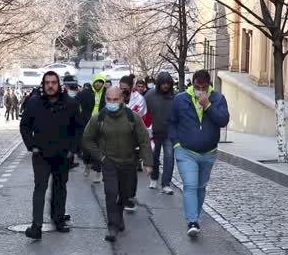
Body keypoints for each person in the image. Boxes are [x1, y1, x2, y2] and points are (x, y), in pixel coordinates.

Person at [83, 87, 153, 242]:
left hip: (129, 162)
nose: (112, 103)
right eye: (109, 99)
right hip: (109, 162)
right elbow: (87, 139)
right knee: (110, 192)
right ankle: (112, 226)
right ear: (105, 99)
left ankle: (119, 215)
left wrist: (148, 162)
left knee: (125, 193)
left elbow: (144, 140)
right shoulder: (99, 118)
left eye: (116, 99)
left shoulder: (132, 117)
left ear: (122, 99)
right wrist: (100, 157)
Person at [20, 71, 82, 240]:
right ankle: (36, 226)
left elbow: (78, 128)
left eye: (53, 82)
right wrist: (31, 146)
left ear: (58, 84)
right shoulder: (34, 103)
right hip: (41, 154)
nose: (50, 85)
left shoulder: (70, 103)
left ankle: (59, 219)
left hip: (63, 154)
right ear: (43, 84)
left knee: (60, 187)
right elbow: (24, 126)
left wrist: (73, 149)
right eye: (47, 82)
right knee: (40, 188)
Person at [168, 70, 229, 237]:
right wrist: (176, 144)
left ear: (209, 85)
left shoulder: (218, 99)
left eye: (203, 87)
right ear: (192, 84)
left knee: (201, 187)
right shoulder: (181, 99)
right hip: (186, 151)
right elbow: (172, 122)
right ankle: (192, 221)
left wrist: (208, 106)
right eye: (197, 87)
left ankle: (196, 216)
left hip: (208, 153)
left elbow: (223, 120)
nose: (200, 90)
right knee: (190, 185)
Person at [118, 75, 151, 212]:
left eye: (125, 89)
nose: (122, 91)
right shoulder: (115, 96)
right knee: (118, 170)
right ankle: (121, 195)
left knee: (131, 171)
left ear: (132, 87)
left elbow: (138, 119)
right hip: (117, 139)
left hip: (133, 140)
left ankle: (130, 197)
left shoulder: (139, 99)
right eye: (121, 88)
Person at [145, 72, 176, 195]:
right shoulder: (150, 95)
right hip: (154, 132)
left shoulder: (175, 96)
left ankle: (166, 183)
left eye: (168, 83)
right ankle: (154, 178)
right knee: (154, 157)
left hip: (169, 132)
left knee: (169, 158)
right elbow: (144, 112)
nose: (166, 86)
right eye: (163, 83)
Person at [76, 73, 107, 182]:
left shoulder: (106, 94)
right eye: (97, 81)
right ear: (93, 82)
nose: (98, 84)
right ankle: (87, 165)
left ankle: (98, 172)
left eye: (101, 82)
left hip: (101, 124)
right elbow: (75, 103)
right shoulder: (85, 93)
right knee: (87, 147)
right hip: (87, 124)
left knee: (99, 148)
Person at [63, 75, 81, 169]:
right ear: (65, 86)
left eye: (75, 87)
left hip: (73, 132)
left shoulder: (77, 99)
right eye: (71, 87)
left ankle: (70, 162)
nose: (74, 89)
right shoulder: (59, 100)